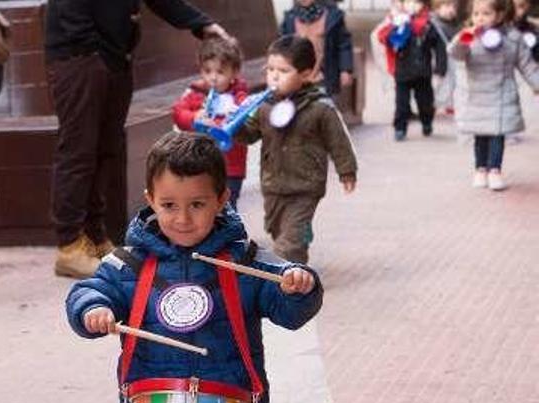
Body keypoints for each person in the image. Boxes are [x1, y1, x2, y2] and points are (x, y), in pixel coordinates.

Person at [66, 131, 323, 403]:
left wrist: (301, 286)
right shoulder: (130, 262)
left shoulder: (244, 258)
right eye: (169, 205)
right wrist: (93, 309)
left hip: (225, 399)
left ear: (221, 199)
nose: (182, 218)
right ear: (150, 200)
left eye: (197, 205)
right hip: (154, 400)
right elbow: (90, 290)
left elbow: (289, 309)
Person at [45, 0, 233, 279]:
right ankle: (70, 245)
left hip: (113, 56)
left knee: (107, 150)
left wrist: (200, 24)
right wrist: (96, 49)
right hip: (81, 55)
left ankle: (95, 237)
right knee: (80, 151)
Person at [237, 35, 357, 264]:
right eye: (270, 69)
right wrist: (232, 128)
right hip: (273, 184)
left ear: (306, 74)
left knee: (288, 246)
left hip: (305, 185)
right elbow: (250, 135)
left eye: (283, 71)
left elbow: (338, 141)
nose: (273, 75)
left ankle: (292, 282)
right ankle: (301, 236)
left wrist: (347, 170)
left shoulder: (320, 108)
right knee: (276, 231)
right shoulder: (263, 105)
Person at [449, 0, 539, 190]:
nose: (479, 18)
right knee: (480, 134)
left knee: (497, 134)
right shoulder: (469, 36)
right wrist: (465, 39)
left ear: (499, 15)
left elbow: (528, 66)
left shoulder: (513, 39)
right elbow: (456, 54)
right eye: (476, 14)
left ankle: (495, 170)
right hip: (477, 95)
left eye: (486, 14)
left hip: (502, 94)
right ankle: (480, 169)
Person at [173, 37, 249, 211]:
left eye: (220, 72)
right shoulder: (195, 93)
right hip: (201, 164)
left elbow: (250, 120)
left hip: (231, 167)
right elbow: (178, 112)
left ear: (234, 73)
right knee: (204, 206)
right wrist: (194, 117)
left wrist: (232, 115)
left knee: (228, 207)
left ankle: (231, 237)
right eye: (207, 71)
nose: (213, 78)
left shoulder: (240, 97)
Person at [377, 0, 449, 141]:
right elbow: (383, 38)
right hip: (402, 71)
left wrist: (441, 67)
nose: (412, 6)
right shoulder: (396, 22)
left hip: (422, 72)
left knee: (425, 102)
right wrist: (394, 28)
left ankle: (427, 121)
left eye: (416, 2)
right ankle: (400, 128)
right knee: (401, 103)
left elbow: (440, 46)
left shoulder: (428, 24)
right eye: (408, 2)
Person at [279, 0, 355, 97]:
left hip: (325, 77)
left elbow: (344, 44)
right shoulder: (289, 19)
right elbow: (282, 47)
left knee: (325, 106)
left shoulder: (332, 16)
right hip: (299, 78)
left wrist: (345, 70)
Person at [430, 0, 461, 115]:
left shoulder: (455, 25)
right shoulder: (433, 24)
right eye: (447, 6)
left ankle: (449, 104)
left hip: (451, 59)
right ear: (437, 8)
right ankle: (431, 104)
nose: (451, 10)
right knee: (436, 83)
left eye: (454, 7)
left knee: (453, 82)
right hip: (437, 60)